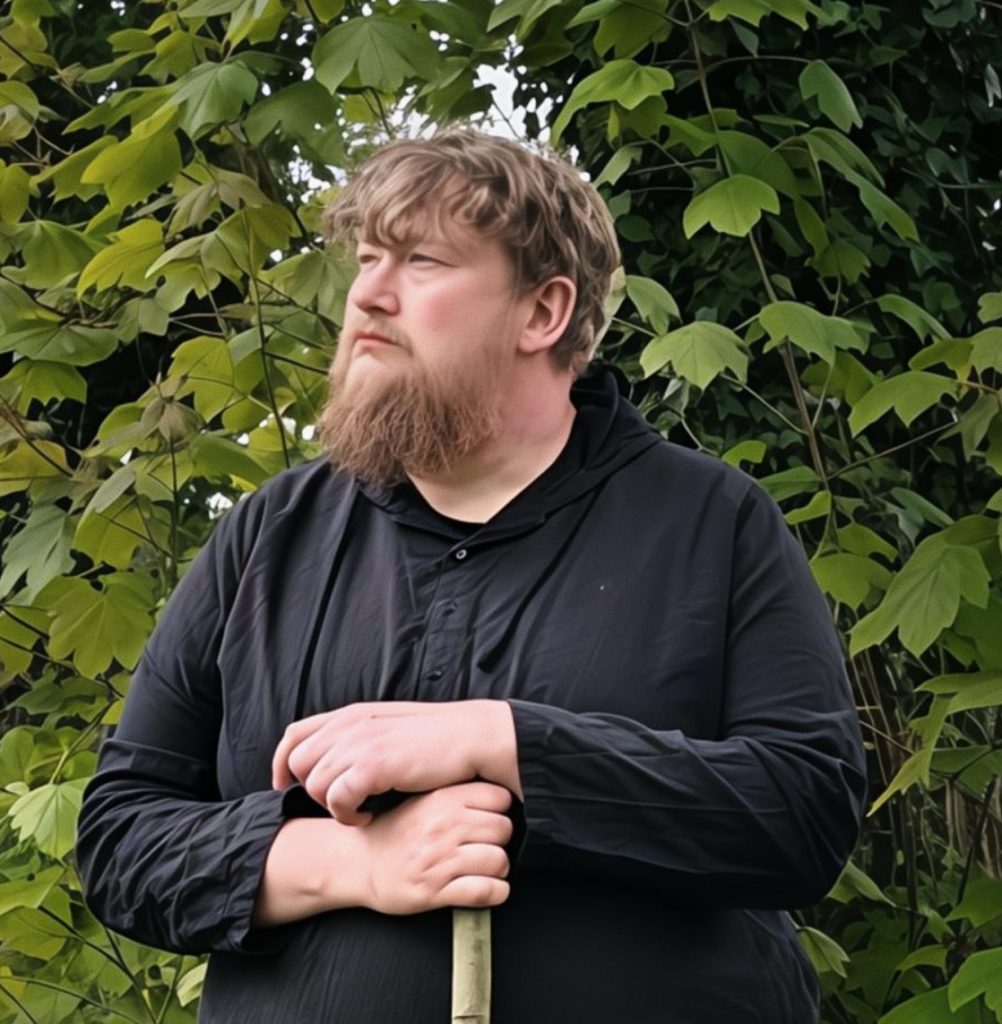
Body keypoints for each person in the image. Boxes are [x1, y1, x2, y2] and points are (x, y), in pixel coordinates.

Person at [76, 128, 867, 1024]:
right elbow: (119, 838)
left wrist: (507, 742)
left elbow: (804, 812)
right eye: (368, 259)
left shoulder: (711, 523)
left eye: (421, 261)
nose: (369, 294)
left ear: (543, 313)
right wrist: (350, 863)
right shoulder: (271, 534)